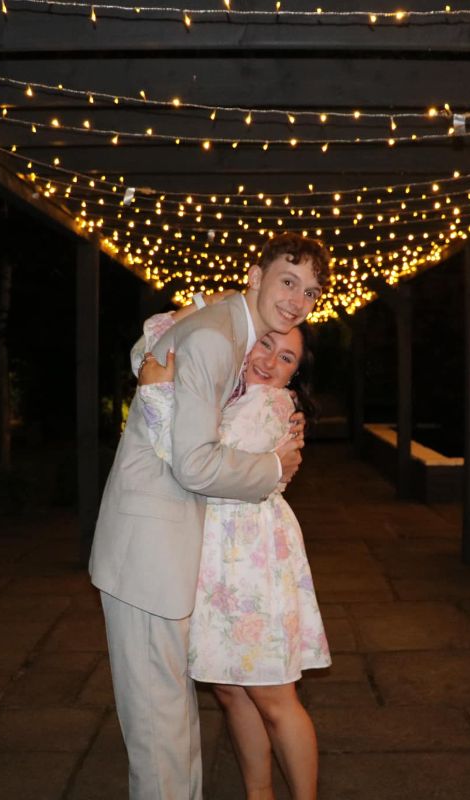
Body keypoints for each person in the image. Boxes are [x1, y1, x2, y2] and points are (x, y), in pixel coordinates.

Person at [88, 233, 331, 800]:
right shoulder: (221, 338)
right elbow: (197, 462)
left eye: (311, 291)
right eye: (288, 281)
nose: (297, 299)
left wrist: (156, 381)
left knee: (172, 721)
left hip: (199, 553)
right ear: (256, 275)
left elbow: (159, 366)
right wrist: (275, 466)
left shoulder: (231, 342)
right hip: (156, 552)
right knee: (164, 725)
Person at [136, 307, 329, 800]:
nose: (270, 362)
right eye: (265, 344)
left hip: (250, 558)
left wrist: (155, 395)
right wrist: (206, 309)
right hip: (214, 554)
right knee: (231, 688)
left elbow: (196, 463)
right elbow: (159, 337)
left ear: (294, 374)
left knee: (272, 694)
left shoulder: (269, 406)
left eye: (287, 358)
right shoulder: (230, 389)